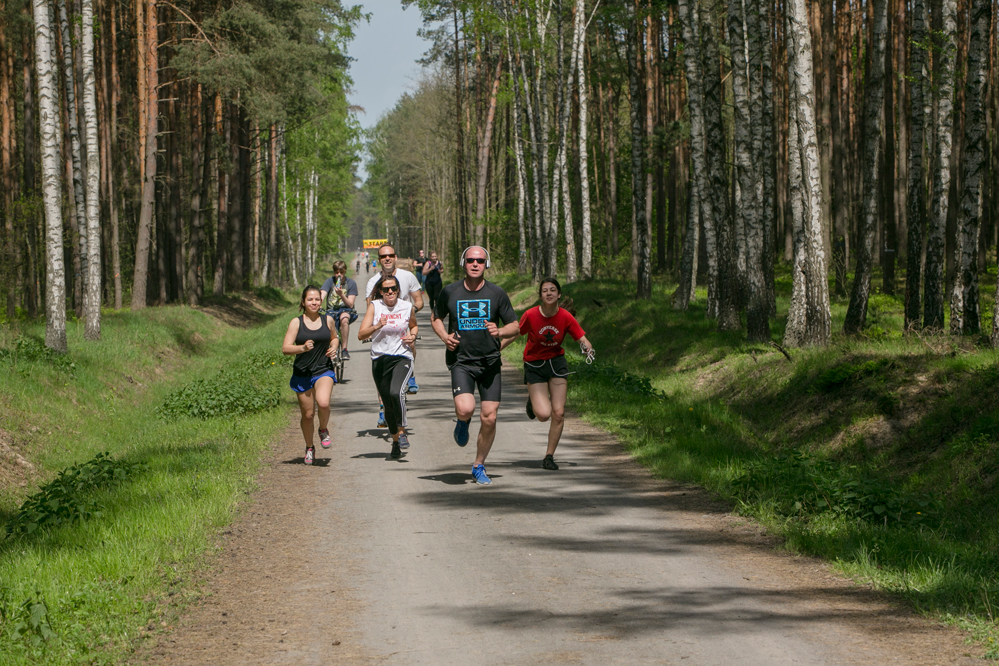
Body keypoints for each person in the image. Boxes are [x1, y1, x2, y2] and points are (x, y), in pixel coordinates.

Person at [431, 246, 519, 485]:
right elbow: (436, 317)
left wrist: (500, 331)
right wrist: (444, 337)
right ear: (464, 262)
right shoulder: (450, 291)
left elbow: (515, 326)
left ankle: (479, 465)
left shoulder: (497, 293)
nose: (475, 264)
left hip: (490, 363)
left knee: (490, 417)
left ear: (486, 264)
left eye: (480, 261)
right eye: (470, 260)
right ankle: (463, 421)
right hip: (461, 361)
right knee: (465, 409)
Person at [518, 277, 593, 470]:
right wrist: (497, 348)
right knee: (544, 414)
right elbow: (515, 333)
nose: (549, 293)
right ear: (540, 296)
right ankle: (534, 401)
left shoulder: (566, 317)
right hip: (534, 364)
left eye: (552, 290)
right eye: (545, 290)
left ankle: (549, 456)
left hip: (556, 364)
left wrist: (587, 348)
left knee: (558, 413)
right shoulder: (530, 314)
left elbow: (582, 338)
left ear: (559, 294)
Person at [358, 275, 418, 459]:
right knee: (387, 405)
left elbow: (414, 326)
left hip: (402, 356)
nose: (390, 292)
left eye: (393, 289)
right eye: (386, 289)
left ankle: (402, 431)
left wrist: (412, 336)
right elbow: (361, 334)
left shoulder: (406, 306)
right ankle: (395, 441)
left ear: (398, 290)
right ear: (380, 291)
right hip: (380, 359)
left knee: (396, 392)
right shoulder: (375, 306)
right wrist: (376, 326)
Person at [282, 285, 339, 465]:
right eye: (310, 299)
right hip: (303, 372)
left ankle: (323, 429)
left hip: (323, 369)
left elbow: (334, 337)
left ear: (321, 301)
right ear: (303, 302)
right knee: (307, 415)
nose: (314, 302)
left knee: (323, 403)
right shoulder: (296, 323)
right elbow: (285, 348)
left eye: (317, 299)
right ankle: (309, 447)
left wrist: (334, 347)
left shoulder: (328, 320)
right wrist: (302, 348)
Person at [366, 243, 424, 402]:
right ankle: (382, 407)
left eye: (390, 255)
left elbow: (419, 301)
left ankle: (410, 373)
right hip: (383, 328)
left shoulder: (408, 276)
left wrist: (409, 312)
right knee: (381, 374)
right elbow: (370, 309)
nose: (387, 259)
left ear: (395, 257)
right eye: (383, 256)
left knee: (410, 341)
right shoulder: (373, 282)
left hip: (402, 325)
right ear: (379, 259)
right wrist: (371, 329)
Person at [320, 260, 358, 360]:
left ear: (345, 271)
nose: (339, 275)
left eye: (341, 272)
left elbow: (350, 304)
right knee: (326, 322)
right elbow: (322, 294)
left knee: (344, 319)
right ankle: (327, 349)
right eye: (337, 273)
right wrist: (318, 303)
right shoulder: (329, 282)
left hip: (346, 310)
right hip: (331, 310)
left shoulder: (351, 283)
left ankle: (344, 349)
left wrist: (341, 295)